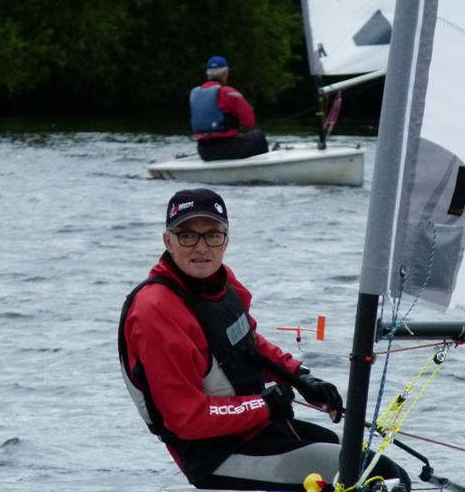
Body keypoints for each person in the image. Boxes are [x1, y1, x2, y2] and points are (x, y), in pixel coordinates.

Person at [118, 188, 411, 491]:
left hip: (257, 429)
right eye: (188, 236)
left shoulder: (220, 281)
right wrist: (264, 405)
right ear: (168, 241)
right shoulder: (154, 311)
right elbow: (186, 417)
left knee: (383, 472)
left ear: (226, 240)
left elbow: (247, 345)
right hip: (215, 453)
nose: (201, 247)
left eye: (213, 235)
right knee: (373, 480)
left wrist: (300, 377)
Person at [190, 56, 269, 161]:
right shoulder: (229, 93)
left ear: (207, 73)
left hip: (204, 151)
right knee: (258, 136)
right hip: (227, 148)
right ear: (225, 73)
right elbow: (249, 122)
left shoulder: (195, 93)